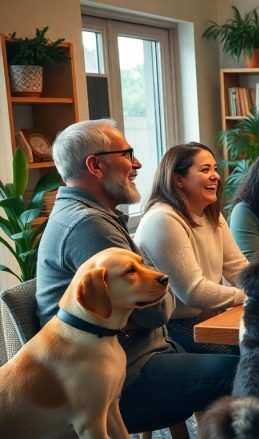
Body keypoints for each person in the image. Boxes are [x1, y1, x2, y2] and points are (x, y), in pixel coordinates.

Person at [36, 119, 238, 432]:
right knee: (248, 370)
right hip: (122, 379)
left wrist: (134, 309)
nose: (138, 164)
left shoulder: (92, 217)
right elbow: (158, 310)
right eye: (127, 155)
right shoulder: (90, 226)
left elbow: (151, 305)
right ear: (96, 166)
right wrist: (146, 305)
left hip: (136, 356)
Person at [135, 143, 248, 354]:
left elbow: (237, 267)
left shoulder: (211, 213)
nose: (215, 176)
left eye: (215, 169)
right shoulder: (163, 219)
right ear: (179, 180)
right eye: (205, 170)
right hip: (172, 327)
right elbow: (194, 292)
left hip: (210, 317)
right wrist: (252, 295)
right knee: (249, 362)